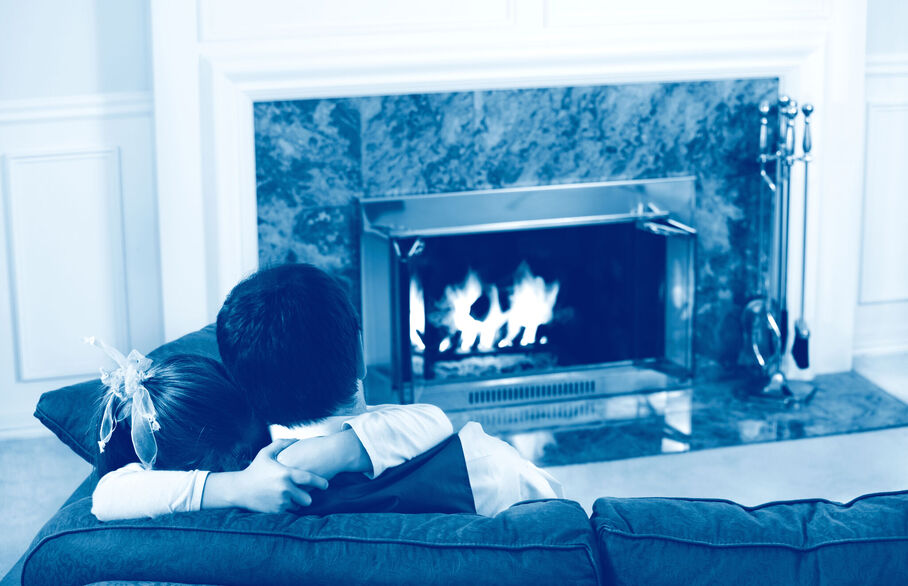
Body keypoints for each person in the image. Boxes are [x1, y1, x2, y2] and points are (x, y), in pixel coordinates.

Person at [92, 263, 561, 520]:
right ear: (358, 353)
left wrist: (235, 486)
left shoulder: (246, 482)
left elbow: (106, 496)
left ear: (243, 382)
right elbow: (559, 520)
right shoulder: (482, 466)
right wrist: (344, 449)